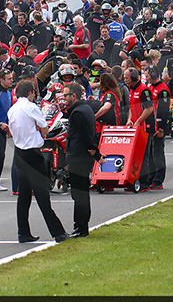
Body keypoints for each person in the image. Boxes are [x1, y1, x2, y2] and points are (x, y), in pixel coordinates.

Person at [9, 80, 69, 243]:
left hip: (19, 153)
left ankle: (23, 232)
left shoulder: (12, 109)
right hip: (33, 153)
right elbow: (45, 128)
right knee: (42, 195)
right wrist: (37, 129)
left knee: (24, 195)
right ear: (30, 93)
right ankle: (58, 232)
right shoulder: (31, 107)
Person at [65, 82, 102, 238]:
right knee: (82, 193)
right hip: (82, 157)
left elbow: (86, 137)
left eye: (66, 95)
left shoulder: (78, 112)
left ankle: (80, 227)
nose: (64, 98)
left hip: (79, 158)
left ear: (74, 96)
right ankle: (81, 226)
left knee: (79, 194)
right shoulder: (85, 108)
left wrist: (96, 154)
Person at [124, 68, 156, 190]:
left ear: (133, 78)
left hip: (144, 128)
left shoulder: (144, 90)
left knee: (143, 156)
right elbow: (131, 108)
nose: (125, 80)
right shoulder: (131, 90)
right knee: (134, 156)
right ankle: (134, 181)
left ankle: (144, 183)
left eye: (127, 78)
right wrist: (129, 120)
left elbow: (149, 109)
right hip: (135, 128)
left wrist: (138, 121)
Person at [145, 66, 170, 189]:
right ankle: (150, 177)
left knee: (157, 154)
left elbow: (164, 111)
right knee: (150, 154)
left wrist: (161, 129)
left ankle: (158, 180)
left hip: (158, 127)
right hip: (150, 127)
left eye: (148, 75)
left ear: (154, 75)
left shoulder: (163, 90)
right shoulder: (150, 87)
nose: (146, 78)